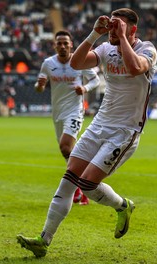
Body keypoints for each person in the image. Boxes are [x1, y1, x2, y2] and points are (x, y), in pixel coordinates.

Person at [17, 8, 157, 257]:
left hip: (124, 131)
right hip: (98, 125)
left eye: (119, 26)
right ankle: (43, 240)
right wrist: (94, 33)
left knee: (89, 184)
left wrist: (122, 36)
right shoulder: (105, 49)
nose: (113, 31)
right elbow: (76, 62)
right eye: (112, 26)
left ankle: (123, 205)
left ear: (132, 29)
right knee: (69, 177)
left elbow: (135, 68)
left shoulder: (147, 49)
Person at [34, 30, 100, 205]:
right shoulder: (48, 63)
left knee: (65, 147)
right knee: (68, 153)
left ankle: (83, 185)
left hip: (74, 110)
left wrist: (85, 89)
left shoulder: (79, 61)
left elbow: (95, 81)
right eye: (59, 43)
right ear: (54, 45)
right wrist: (39, 86)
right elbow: (39, 87)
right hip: (57, 113)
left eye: (66, 43)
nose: (62, 46)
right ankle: (81, 190)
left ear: (71, 45)